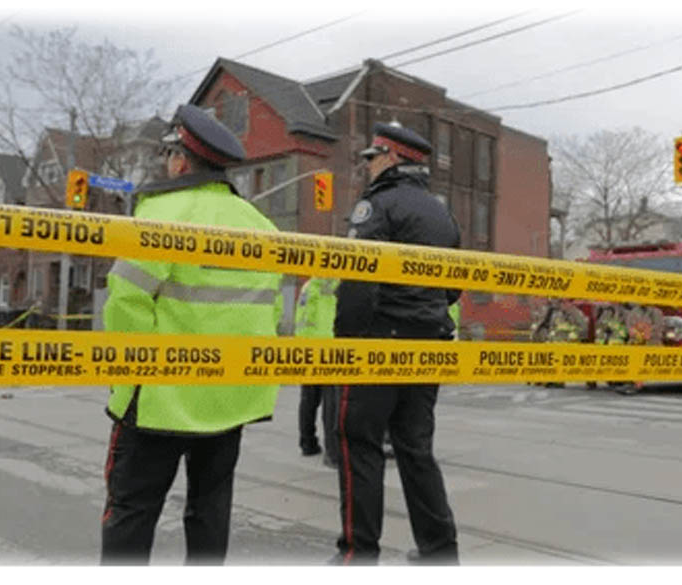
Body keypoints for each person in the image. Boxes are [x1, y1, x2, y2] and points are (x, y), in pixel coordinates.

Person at [99, 104, 283, 565]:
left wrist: (129, 376)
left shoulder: (161, 213)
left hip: (159, 398)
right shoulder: (261, 226)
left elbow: (125, 302)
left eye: (168, 155)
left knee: (131, 513)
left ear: (181, 161)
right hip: (230, 399)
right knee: (210, 514)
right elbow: (271, 310)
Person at [331, 121, 461, 565]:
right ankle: (440, 552)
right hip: (430, 342)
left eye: (372, 158)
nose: (368, 166)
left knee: (359, 444)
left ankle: (358, 555)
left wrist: (347, 343)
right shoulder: (442, 213)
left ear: (390, 157)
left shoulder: (377, 205)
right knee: (416, 449)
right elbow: (453, 288)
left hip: (378, 342)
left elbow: (357, 279)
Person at [294, 276, 340, 467]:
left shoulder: (308, 285)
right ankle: (332, 453)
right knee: (331, 401)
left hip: (308, 345)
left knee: (309, 398)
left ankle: (307, 442)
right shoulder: (334, 282)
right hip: (329, 344)